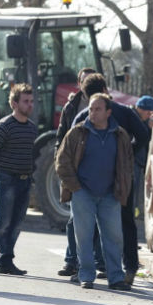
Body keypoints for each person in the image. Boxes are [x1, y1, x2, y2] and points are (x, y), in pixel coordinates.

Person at [72, 74, 150, 285]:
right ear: (106, 88)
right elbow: (144, 135)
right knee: (122, 225)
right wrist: (128, 155)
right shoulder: (122, 112)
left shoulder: (86, 115)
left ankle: (86, 268)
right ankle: (127, 267)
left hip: (104, 182)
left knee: (87, 228)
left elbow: (66, 146)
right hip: (117, 179)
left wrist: (125, 153)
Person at [56, 93, 133, 290]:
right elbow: (62, 162)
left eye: (98, 109)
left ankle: (116, 278)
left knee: (114, 237)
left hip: (110, 194)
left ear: (108, 112)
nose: (93, 113)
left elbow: (127, 164)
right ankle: (86, 275)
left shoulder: (120, 135)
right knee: (84, 236)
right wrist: (75, 187)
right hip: (83, 193)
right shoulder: (77, 133)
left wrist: (122, 187)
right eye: (91, 108)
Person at [0, 83, 38, 276]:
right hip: (5, 179)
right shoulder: (4, 126)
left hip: (24, 180)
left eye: (31, 101)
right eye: (25, 101)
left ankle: (6, 260)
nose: (30, 105)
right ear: (14, 103)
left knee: (16, 222)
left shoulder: (31, 128)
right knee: (2, 221)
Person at [55, 70, 108, 278]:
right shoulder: (72, 107)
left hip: (100, 174)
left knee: (102, 220)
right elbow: (63, 137)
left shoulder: (108, 107)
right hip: (77, 173)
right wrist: (61, 163)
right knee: (75, 221)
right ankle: (72, 262)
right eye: (83, 79)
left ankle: (101, 262)